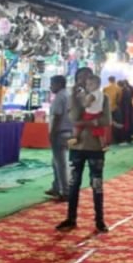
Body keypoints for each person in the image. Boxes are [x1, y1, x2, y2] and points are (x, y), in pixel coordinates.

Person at [58, 69, 110, 232]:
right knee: (74, 183)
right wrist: (76, 97)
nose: (83, 81)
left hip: (95, 147)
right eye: (80, 78)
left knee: (97, 184)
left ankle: (99, 220)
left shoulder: (103, 97)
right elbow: (73, 118)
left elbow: (106, 120)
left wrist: (85, 123)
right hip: (77, 147)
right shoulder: (75, 97)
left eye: (87, 77)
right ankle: (71, 218)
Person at [46, 75, 71, 200]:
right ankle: (56, 187)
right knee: (56, 162)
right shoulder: (68, 95)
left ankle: (65, 191)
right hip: (68, 131)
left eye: (52, 84)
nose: (50, 87)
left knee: (61, 163)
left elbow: (57, 116)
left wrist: (52, 133)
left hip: (60, 132)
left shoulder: (60, 97)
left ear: (59, 84)